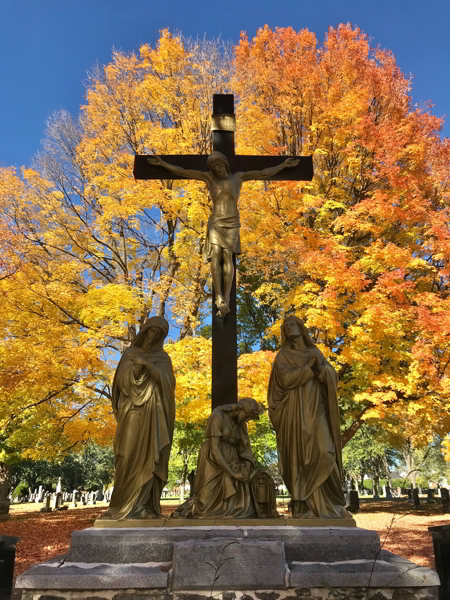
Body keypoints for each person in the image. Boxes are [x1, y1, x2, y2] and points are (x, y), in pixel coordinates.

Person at [148, 153, 299, 317]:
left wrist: (283, 166)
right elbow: (183, 171)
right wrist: (163, 164)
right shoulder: (209, 178)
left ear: (225, 165)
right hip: (216, 221)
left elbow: (263, 173)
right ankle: (218, 295)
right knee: (216, 255)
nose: (217, 170)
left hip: (232, 221)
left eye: (219, 166)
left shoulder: (238, 177)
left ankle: (226, 296)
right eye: (214, 168)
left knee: (227, 256)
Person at [268, 316, 351, 519]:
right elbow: (286, 380)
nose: (289, 327)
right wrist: (309, 369)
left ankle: (329, 505)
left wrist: (321, 369)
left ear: (301, 328)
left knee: (325, 451)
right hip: (294, 412)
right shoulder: (283, 356)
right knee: (298, 459)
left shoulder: (315, 352)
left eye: (292, 324)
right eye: (285, 326)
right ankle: (304, 505)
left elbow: (330, 377)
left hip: (316, 409)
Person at [102, 316, 175, 520]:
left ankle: (145, 507)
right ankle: (120, 505)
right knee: (126, 453)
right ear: (145, 331)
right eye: (151, 331)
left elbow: (168, 386)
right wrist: (135, 369)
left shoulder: (163, 358)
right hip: (132, 411)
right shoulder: (130, 353)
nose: (154, 336)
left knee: (152, 457)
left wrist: (148, 365)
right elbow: (120, 384)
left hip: (154, 414)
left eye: (158, 334)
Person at [173, 398, 265, 519]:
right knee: (206, 505)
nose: (247, 420)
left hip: (232, 458)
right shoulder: (218, 415)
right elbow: (214, 449)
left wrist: (245, 470)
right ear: (241, 409)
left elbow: (246, 448)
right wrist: (232, 473)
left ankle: (232, 511)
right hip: (213, 458)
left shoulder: (241, 424)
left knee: (243, 507)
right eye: (248, 416)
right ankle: (189, 508)